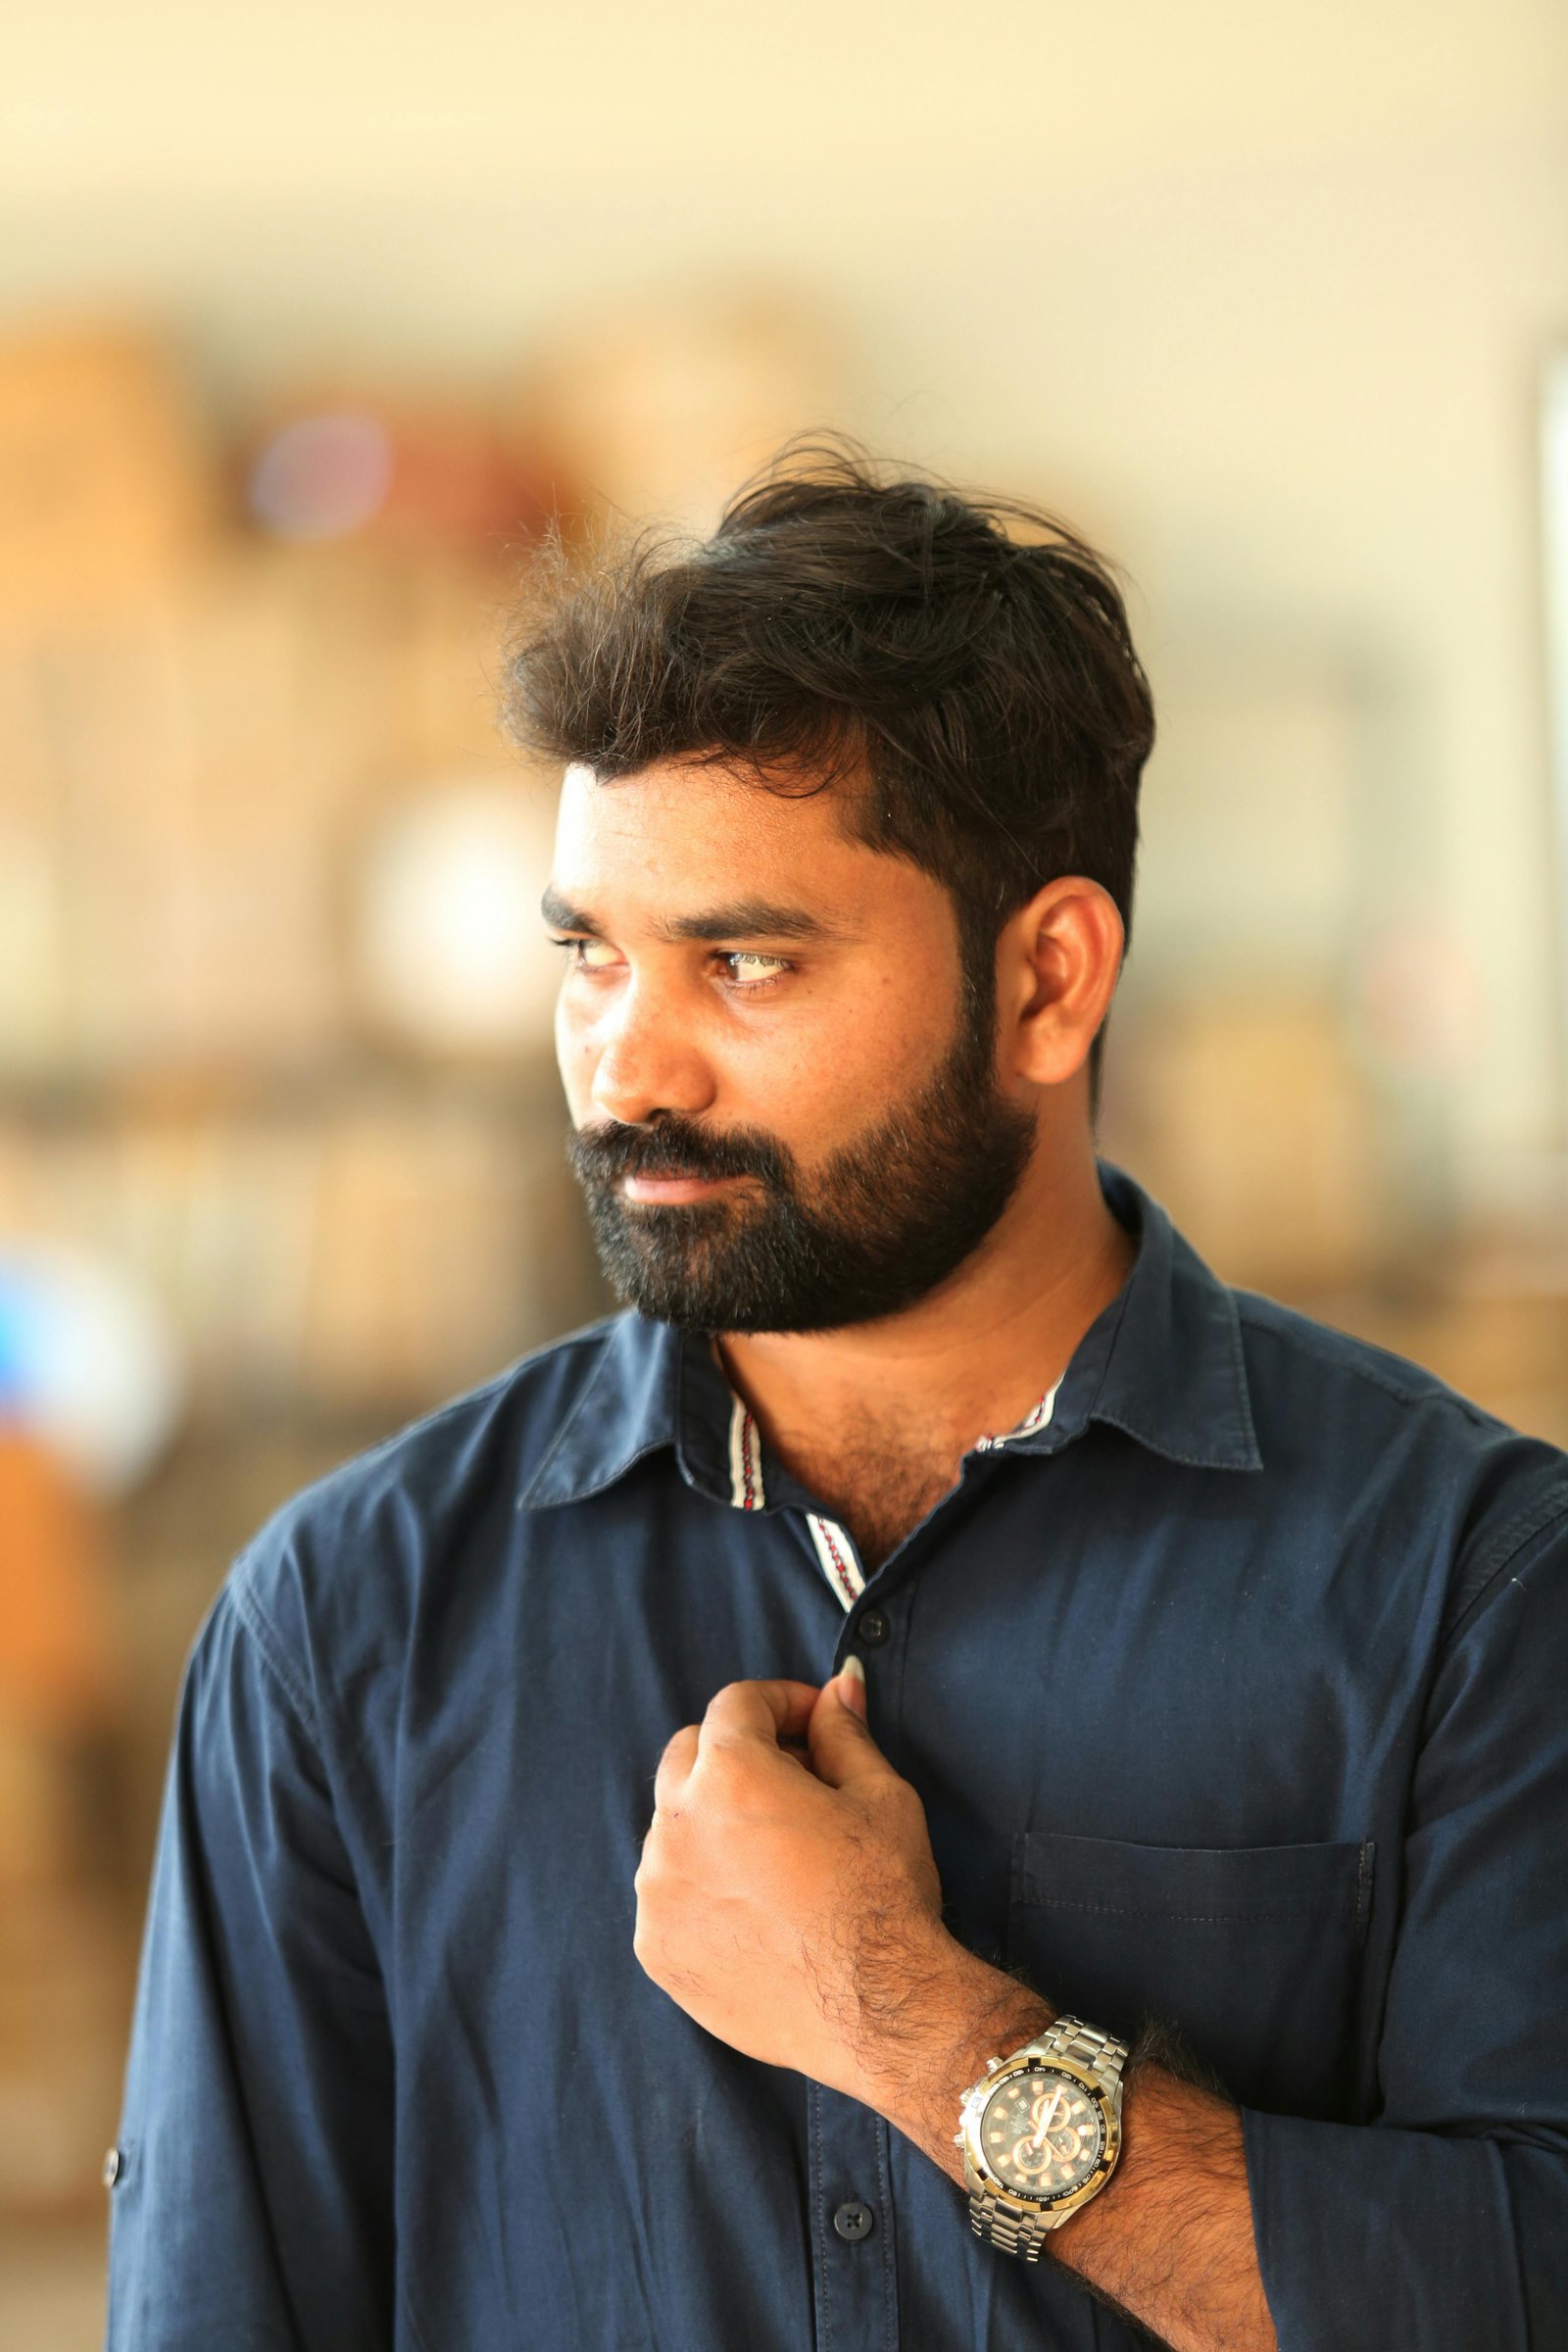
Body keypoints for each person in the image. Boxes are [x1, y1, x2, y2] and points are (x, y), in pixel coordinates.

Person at [106, 451, 1568, 2352]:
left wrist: (913, 2024)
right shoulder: (348, 1627)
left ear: (1046, 981)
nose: (627, 1067)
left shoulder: (1467, 1589)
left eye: (743, 963)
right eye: (587, 956)